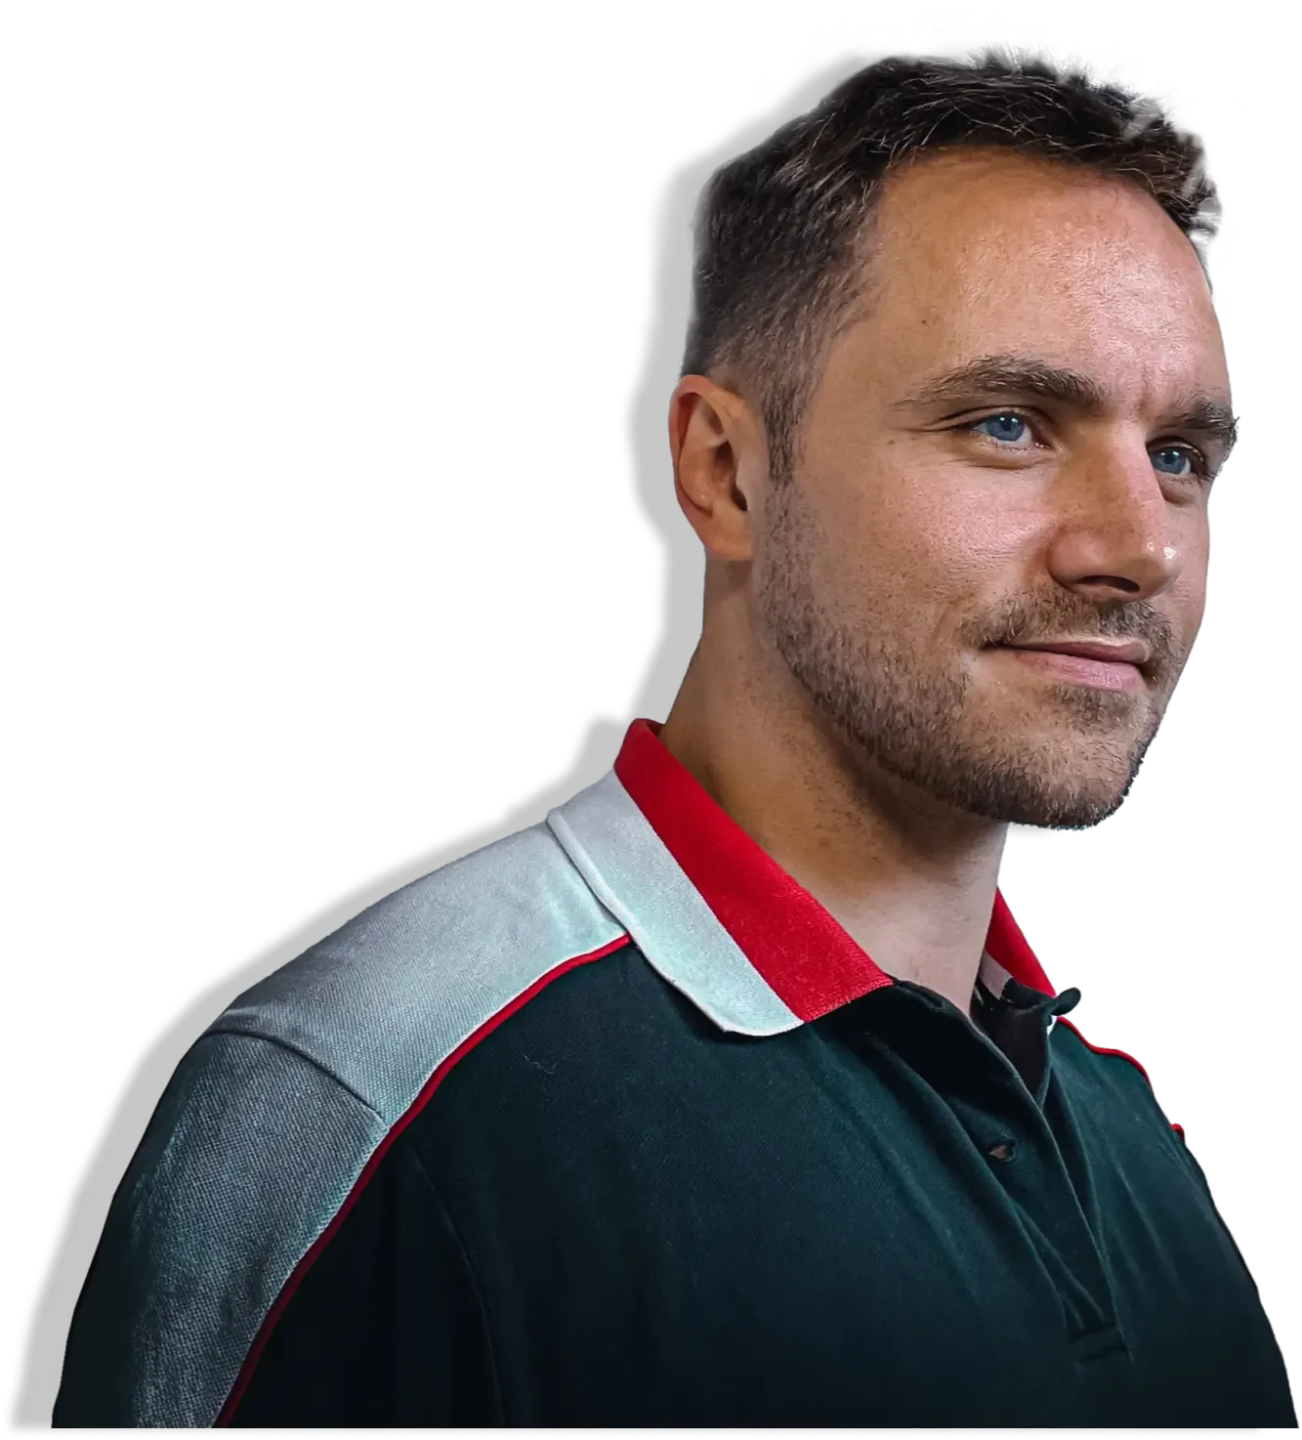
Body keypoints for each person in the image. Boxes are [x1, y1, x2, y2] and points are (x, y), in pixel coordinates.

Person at [54, 40, 1295, 1429]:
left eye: (1179, 457)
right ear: (724, 471)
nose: (1138, 547)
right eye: (1007, 424)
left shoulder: (1135, 1141)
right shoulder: (381, 1099)